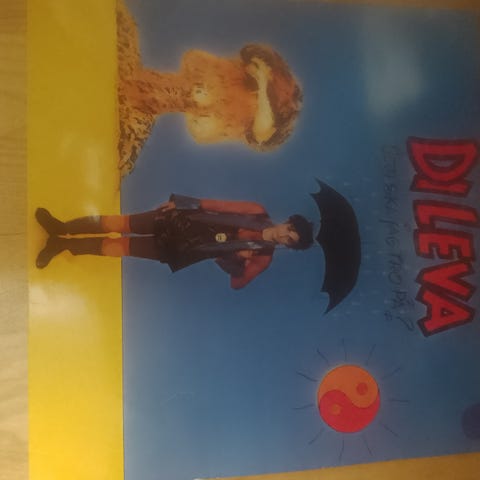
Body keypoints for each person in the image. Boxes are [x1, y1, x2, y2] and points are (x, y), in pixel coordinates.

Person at [35, 194, 313, 289]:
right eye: (289, 229)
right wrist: (181, 203)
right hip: (184, 221)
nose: (284, 236)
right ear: (287, 221)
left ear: (289, 246)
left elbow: (236, 283)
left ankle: (60, 245)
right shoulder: (257, 211)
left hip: (185, 249)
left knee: (117, 248)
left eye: (290, 240)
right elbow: (218, 205)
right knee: (116, 223)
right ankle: (61, 227)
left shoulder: (263, 258)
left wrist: (236, 261)